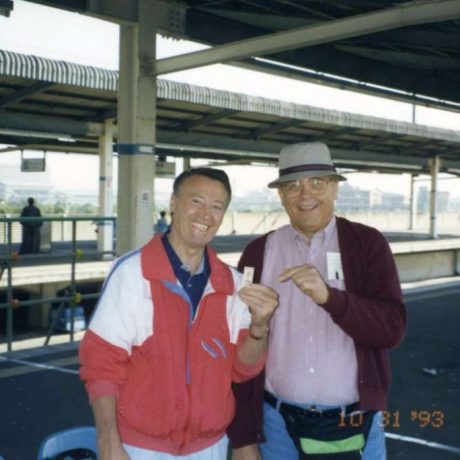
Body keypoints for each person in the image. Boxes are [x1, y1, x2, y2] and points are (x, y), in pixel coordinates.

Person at [79, 167, 278, 460]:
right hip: (138, 447)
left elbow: (242, 368)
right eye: (196, 201)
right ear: (173, 203)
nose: (205, 214)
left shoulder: (232, 284)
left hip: (210, 446)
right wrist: (109, 443)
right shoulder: (132, 274)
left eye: (217, 206)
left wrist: (260, 327)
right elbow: (101, 365)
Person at [228, 142, 407, 460]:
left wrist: (331, 299)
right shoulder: (258, 252)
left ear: (335, 189)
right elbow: (236, 343)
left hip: (353, 422)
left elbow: (392, 328)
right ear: (281, 195)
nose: (305, 194)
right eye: (292, 186)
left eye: (317, 183)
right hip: (275, 425)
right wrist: (243, 436)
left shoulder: (367, 244)